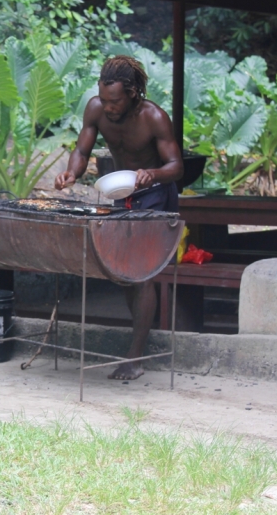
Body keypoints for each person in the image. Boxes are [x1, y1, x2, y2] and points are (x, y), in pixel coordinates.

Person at [54, 55, 183, 380]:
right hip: (121, 193)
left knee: (142, 274)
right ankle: (135, 349)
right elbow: (82, 151)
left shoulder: (154, 117)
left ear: (133, 93)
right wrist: (71, 173)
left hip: (154, 196)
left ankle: (135, 357)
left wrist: (151, 174)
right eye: (104, 99)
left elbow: (175, 167)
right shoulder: (96, 108)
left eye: (115, 101)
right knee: (124, 272)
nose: (108, 107)